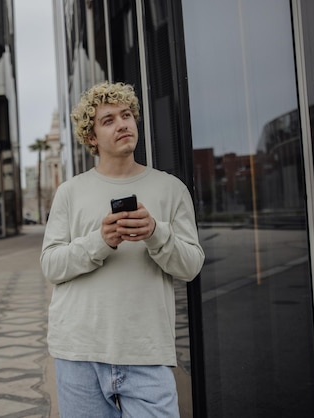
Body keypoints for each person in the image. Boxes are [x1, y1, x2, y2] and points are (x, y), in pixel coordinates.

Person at [40, 81, 205, 418]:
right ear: (91, 137)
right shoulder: (70, 192)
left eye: (126, 115)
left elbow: (190, 266)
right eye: (109, 120)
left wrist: (156, 233)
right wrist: (100, 241)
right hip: (79, 352)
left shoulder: (171, 189)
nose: (123, 124)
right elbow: (51, 266)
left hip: (146, 352)